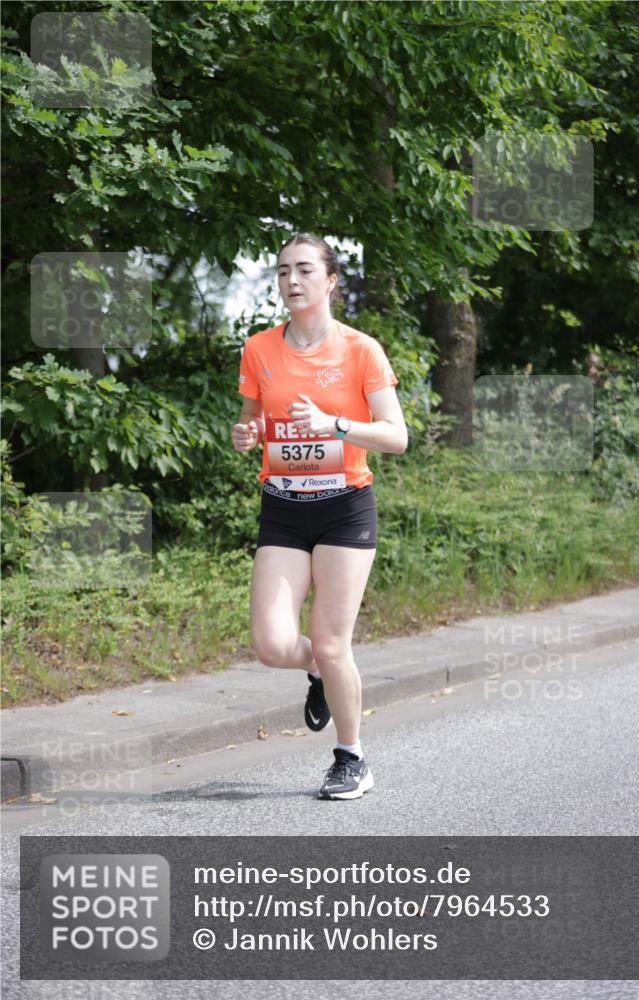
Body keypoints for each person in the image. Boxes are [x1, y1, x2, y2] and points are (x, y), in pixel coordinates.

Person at [231, 233, 408, 800]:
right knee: (272, 645)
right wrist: (245, 434)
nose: (291, 281)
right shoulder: (258, 349)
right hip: (283, 506)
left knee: (333, 643)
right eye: (282, 271)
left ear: (331, 280)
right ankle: (322, 675)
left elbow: (396, 437)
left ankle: (350, 757)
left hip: (343, 509)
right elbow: (252, 421)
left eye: (304, 270)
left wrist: (334, 425)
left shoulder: (361, 349)